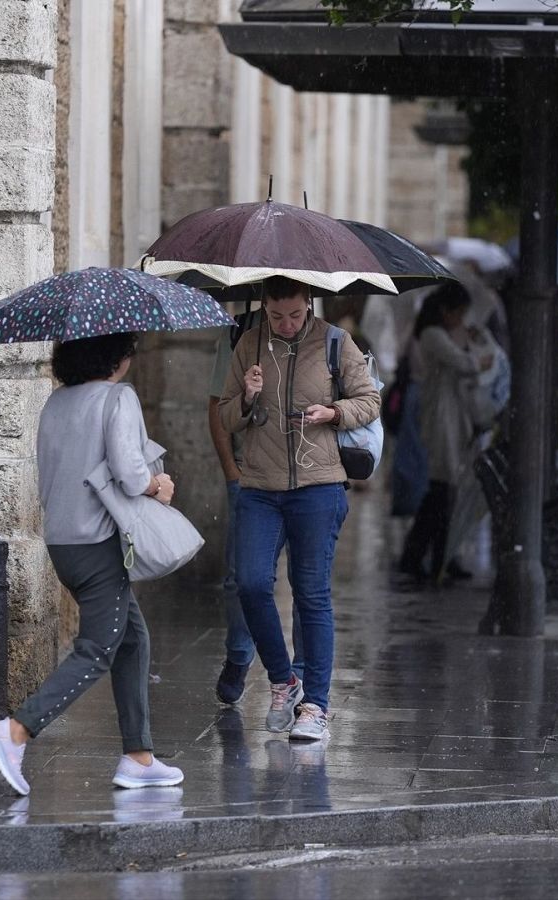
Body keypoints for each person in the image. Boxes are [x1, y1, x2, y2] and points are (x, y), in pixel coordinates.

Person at [0, 331, 184, 795]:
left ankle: (139, 756)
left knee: (132, 639)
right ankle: (16, 731)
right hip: (99, 543)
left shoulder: (55, 403)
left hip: (63, 544)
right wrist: (159, 486)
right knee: (98, 646)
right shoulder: (118, 398)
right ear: (116, 356)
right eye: (129, 350)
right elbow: (131, 473)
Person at [219, 277, 381, 742]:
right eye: (276, 316)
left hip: (318, 486)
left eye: (293, 314)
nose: (285, 324)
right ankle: (282, 679)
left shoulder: (334, 341)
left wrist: (333, 412)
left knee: (311, 593)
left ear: (308, 304)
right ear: (265, 308)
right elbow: (226, 414)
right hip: (260, 488)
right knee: (249, 583)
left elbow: (369, 400)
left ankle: (315, 706)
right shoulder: (248, 343)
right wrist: (247, 397)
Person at [206, 307, 301, 706]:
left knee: (307, 583)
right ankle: (240, 656)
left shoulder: (323, 337)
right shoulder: (239, 336)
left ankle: (300, 673)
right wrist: (232, 472)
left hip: (307, 478)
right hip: (252, 477)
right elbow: (218, 406)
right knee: (243, 578)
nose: (287, 321)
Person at [397, 282, 493, 584]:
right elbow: (464, 364)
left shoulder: (442, 334)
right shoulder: (432, 335)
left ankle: (436, 555)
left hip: (452, 415)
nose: (462, 320)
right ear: (446, 311)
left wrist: (472, 342)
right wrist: (480, 358)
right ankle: (428, 555)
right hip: (441, 417)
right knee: (442, 489)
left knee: (444, 489)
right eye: (459, 313)